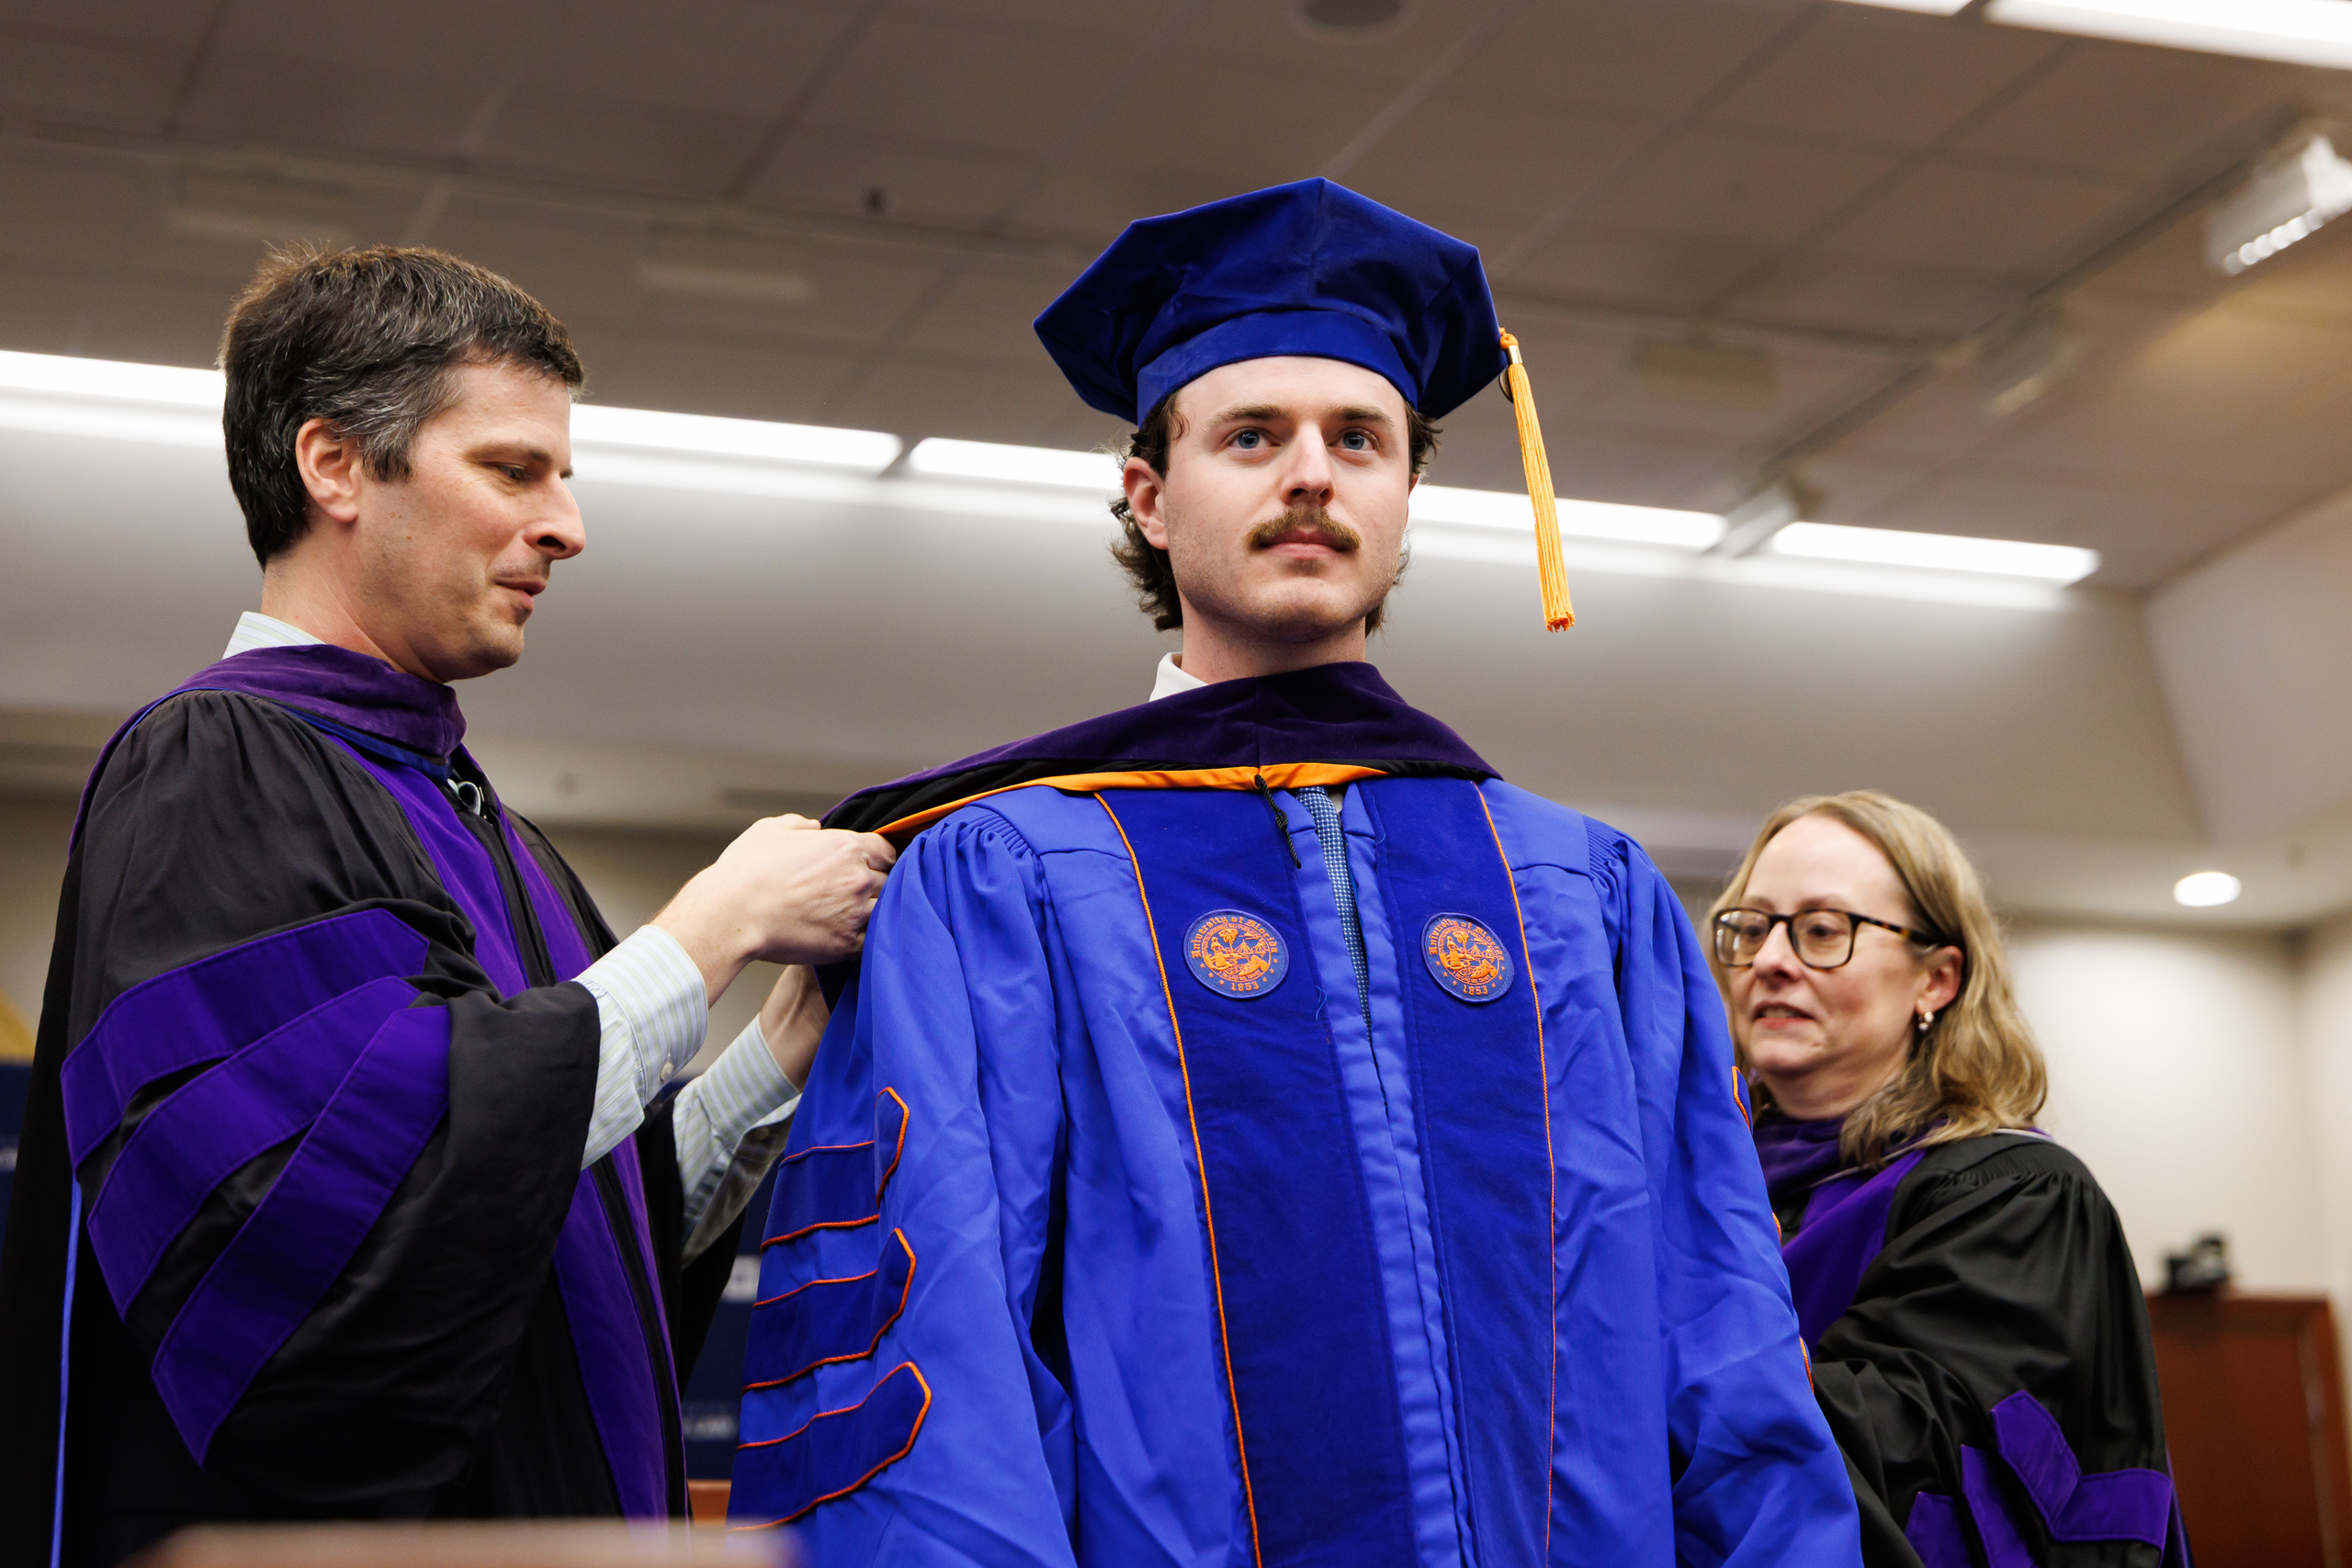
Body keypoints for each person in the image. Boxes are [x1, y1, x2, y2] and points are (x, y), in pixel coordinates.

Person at [729, 179, 1859, 1564]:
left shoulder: (1583, 892)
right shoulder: (1005, 874)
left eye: (1359, 438)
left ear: (1407, 494)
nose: (1311, 473)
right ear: (1148, 496)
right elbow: (931, 1349)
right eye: (1251, 435)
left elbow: (1721, 1319)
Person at [0, 245, 896, 1564]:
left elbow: (562, 1224)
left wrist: (771, 1054)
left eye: (565, 477)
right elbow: (344, 1236)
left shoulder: (495, 832)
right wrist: (710, 922)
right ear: (335, 465)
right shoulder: (215, 771)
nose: (568, 526)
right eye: (513, 469)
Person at [1709, 792, 2185, 1567]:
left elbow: (1927, 1463)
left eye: (1822, 929)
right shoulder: (1704, 1184)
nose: (1769, 960)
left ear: (1936, 979)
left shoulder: (2016, 1193)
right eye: (1752, 927)